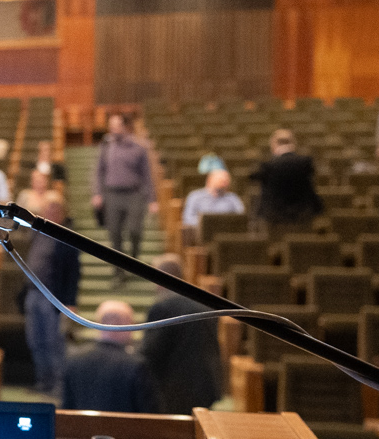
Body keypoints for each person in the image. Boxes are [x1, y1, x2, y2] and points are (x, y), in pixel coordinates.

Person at [140, 253, 222, 414]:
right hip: (206, 386)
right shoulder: (204, 305)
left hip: (175, 390)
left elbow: (151, 352)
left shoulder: (163, 308)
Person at [22, 192, 80, 397]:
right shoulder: (36, 232)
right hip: (32, 294)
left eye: (56, 208)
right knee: (35, 340)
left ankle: (59, 386)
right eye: (49, 208)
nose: (52, 212)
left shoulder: (67, 236)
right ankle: (44, 381)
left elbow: (73, 272)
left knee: (54, 342)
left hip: (53, 296)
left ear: (63, 212)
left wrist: (70, 302)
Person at [60, 300, 162, 415]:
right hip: (124, 426)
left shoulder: (74, 361)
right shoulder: (136, 365)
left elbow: (66, 409)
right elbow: (150, 414)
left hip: (83, 426)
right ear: (125, 325)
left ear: (99, 322)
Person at [91, 113, 155, 285]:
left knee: (135, 230)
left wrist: (152, 200)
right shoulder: (106, 146)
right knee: (115, 234)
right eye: (111, 125)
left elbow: (147, 175)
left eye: (117, 125)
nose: (113, 129)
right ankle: (118, 272)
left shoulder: (138, 147)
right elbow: (99, 171)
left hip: (134, 194)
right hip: (112, 195)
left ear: (125, 127)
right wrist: (97, 193)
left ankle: (133, 259)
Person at [250, 130, 323, 228]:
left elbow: (253, 177)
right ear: (293, 144)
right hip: (302, 219)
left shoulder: (267, 166)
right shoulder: (305, 163)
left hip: (274, 220)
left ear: (274, 144)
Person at [181, 169, 245, 229]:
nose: (224, 184)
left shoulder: (233, 198)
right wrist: (208, 224)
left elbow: (242, 217)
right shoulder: (195, 196)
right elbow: (188, 219)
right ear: (210, 180)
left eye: (226, 181)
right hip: (201, 232)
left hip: (226, 231)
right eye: (221, 181)